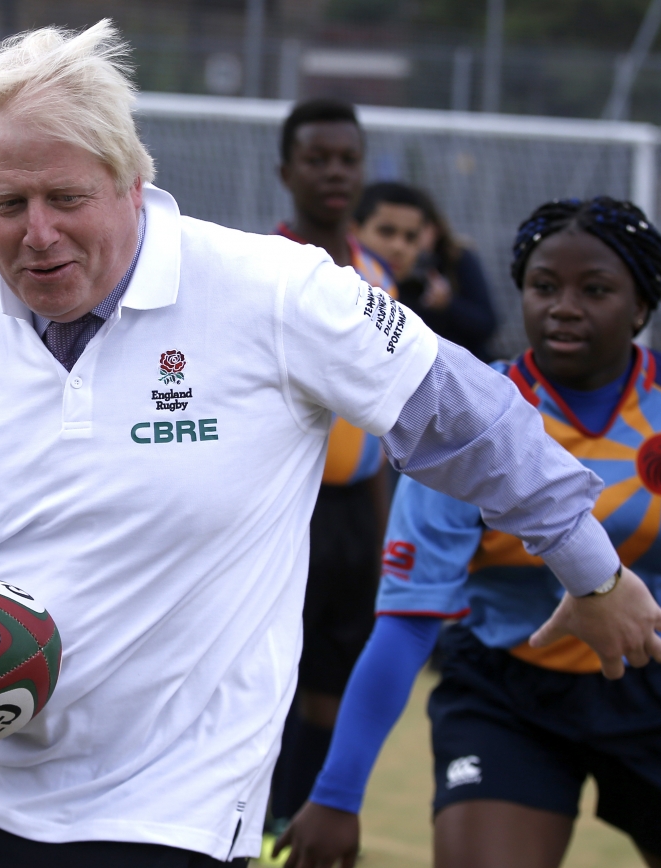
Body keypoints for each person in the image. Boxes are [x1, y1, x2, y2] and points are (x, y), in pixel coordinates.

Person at [0, 24, 661, 868]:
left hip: (170, 807)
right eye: (5, 204)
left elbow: (473, 420)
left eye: (67, 197)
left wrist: (591, 573)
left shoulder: (274, 292)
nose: (37, 235)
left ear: (132, 181)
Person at [275, 197, 661, 868]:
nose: (564, 306)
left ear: (642, 306)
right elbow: (409, 617)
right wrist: (337, 793)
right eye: (544, 287)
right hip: (509, 691)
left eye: (594, 290)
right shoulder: (464, 419)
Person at [268, 99, 397, 845]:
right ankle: (254, 829)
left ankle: (301, 827)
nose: (334, 172)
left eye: (347, 158)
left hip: (355, 517)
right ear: (286, 171)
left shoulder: (378, 276)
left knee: (332, 689)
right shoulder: (266, 267)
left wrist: (383, 537)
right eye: (317, 159)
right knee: (270, 685)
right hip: (285, 513)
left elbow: (378, 426)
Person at [353, 182, 497, 360]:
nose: (399, 247)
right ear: (354, 230)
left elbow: (486, 324)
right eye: (386, 232)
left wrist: (448, 306)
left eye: (411, 237)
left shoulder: (447, 267)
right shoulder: (337, 287)